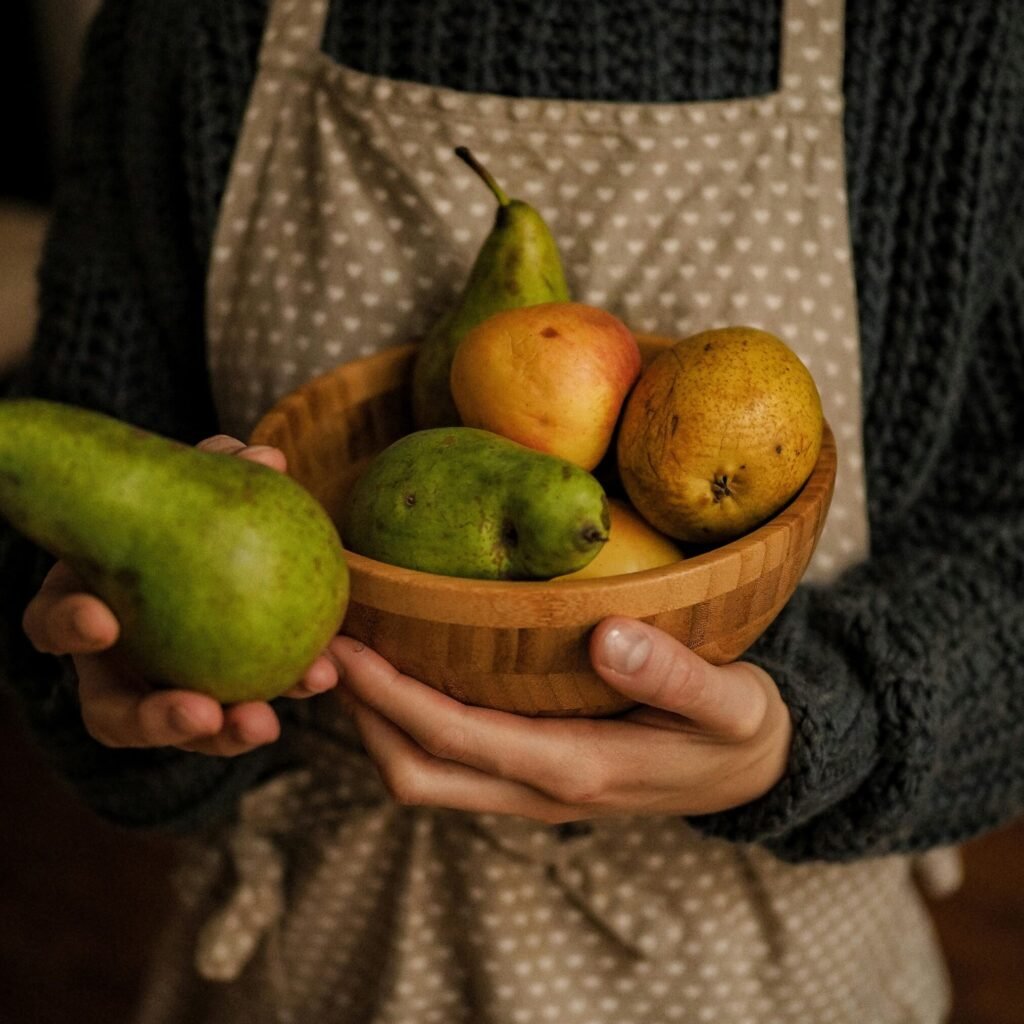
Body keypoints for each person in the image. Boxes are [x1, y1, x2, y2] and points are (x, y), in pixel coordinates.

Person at [2, 0, 1023, 1020]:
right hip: (333, 951)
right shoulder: (185, 27)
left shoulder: (944, 36)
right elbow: (61, 501)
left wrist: (818, 726)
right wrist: (138, 687)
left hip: (773, 969)